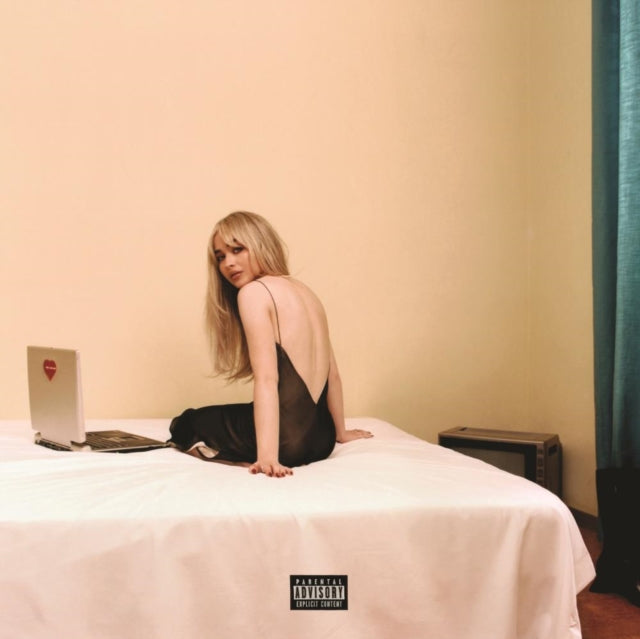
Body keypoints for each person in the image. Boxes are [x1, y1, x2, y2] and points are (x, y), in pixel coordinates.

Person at [169, 211, 372, 477]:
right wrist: (341, 432)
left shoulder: (253, 293)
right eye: (220, 257)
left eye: (237, 250)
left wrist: (268, 458)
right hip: (322, 440)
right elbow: (333, 375)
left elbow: (267, 379)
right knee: (236, 415)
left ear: (260, 244)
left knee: (186, 423)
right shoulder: (307, 292)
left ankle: (234, 456)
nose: (228, 263)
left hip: (286, 444)